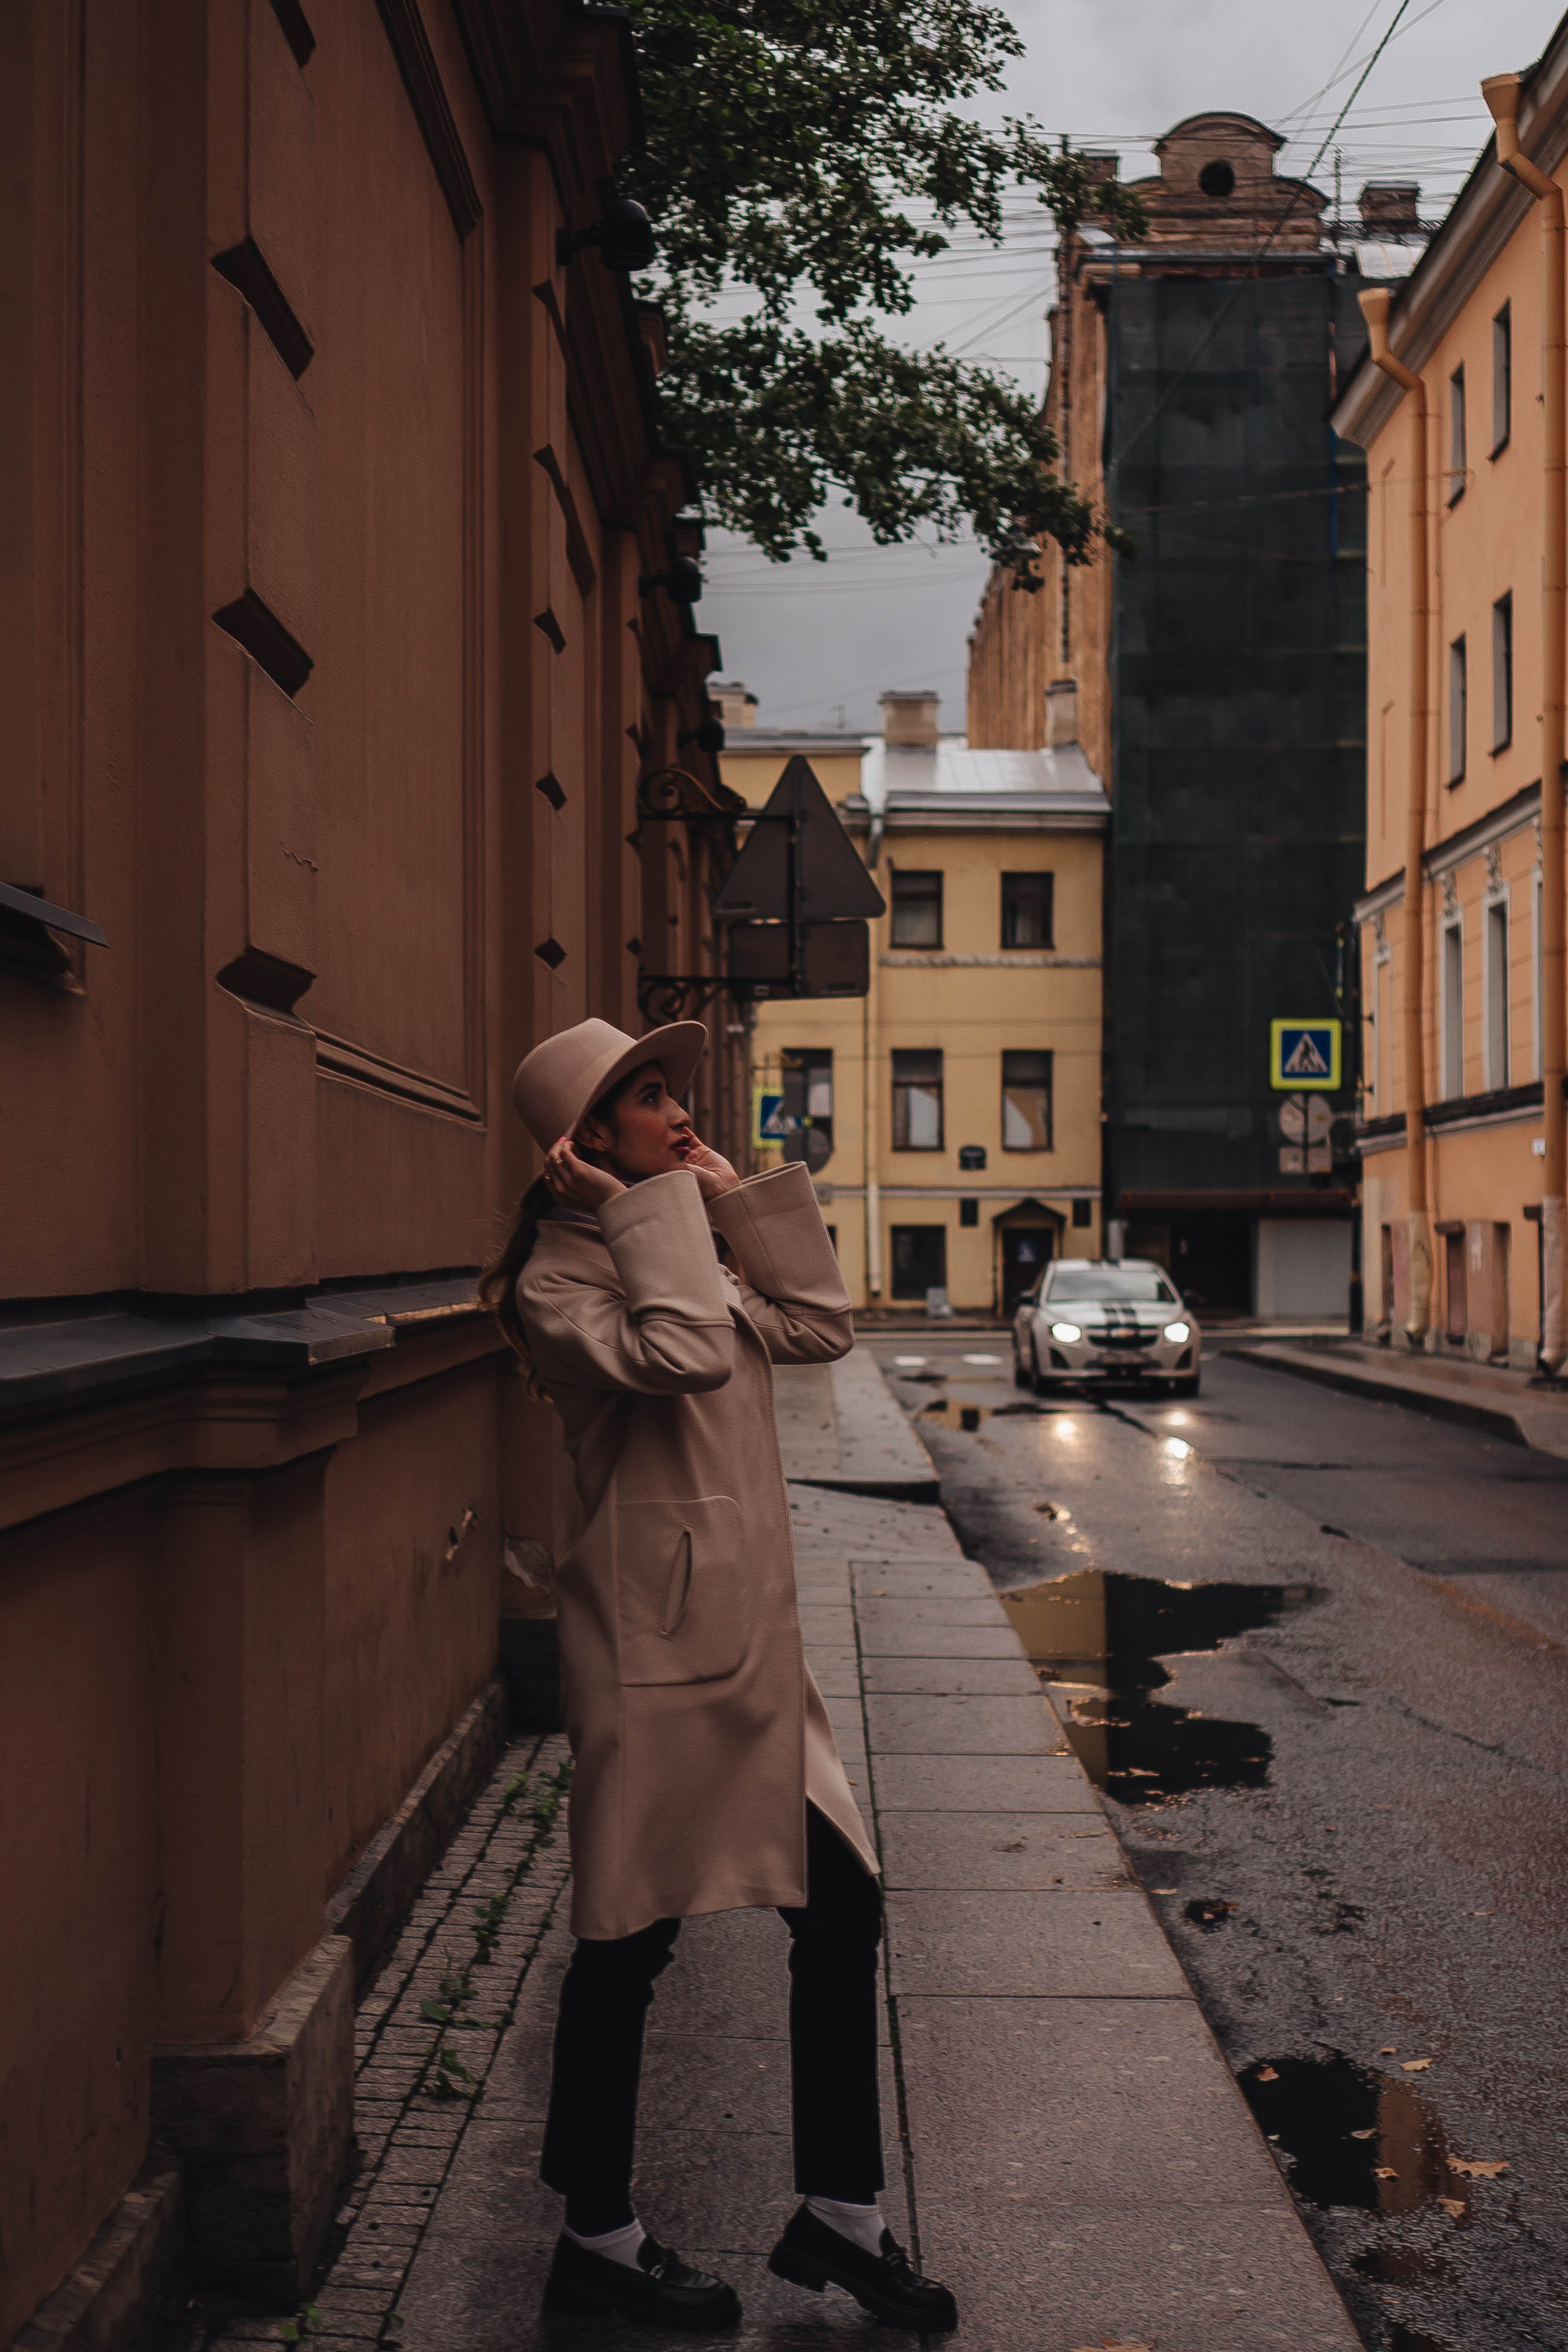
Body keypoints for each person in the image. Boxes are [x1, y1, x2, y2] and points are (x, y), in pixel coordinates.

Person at [480, 1016, 958, 2335]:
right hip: (658, 1659)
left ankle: (840, 2218)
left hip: (750, 1655)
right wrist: (652, 1218)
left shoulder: (679, 1242)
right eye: (647, 1098)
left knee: (842, 1909)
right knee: (626, 1943)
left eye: (671, 1090)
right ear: (582, 1145)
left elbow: (818, 1324)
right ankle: (596, 2235)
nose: (679, 1111)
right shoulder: (562, 1283)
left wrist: (732, 1199)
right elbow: (687, 1353)